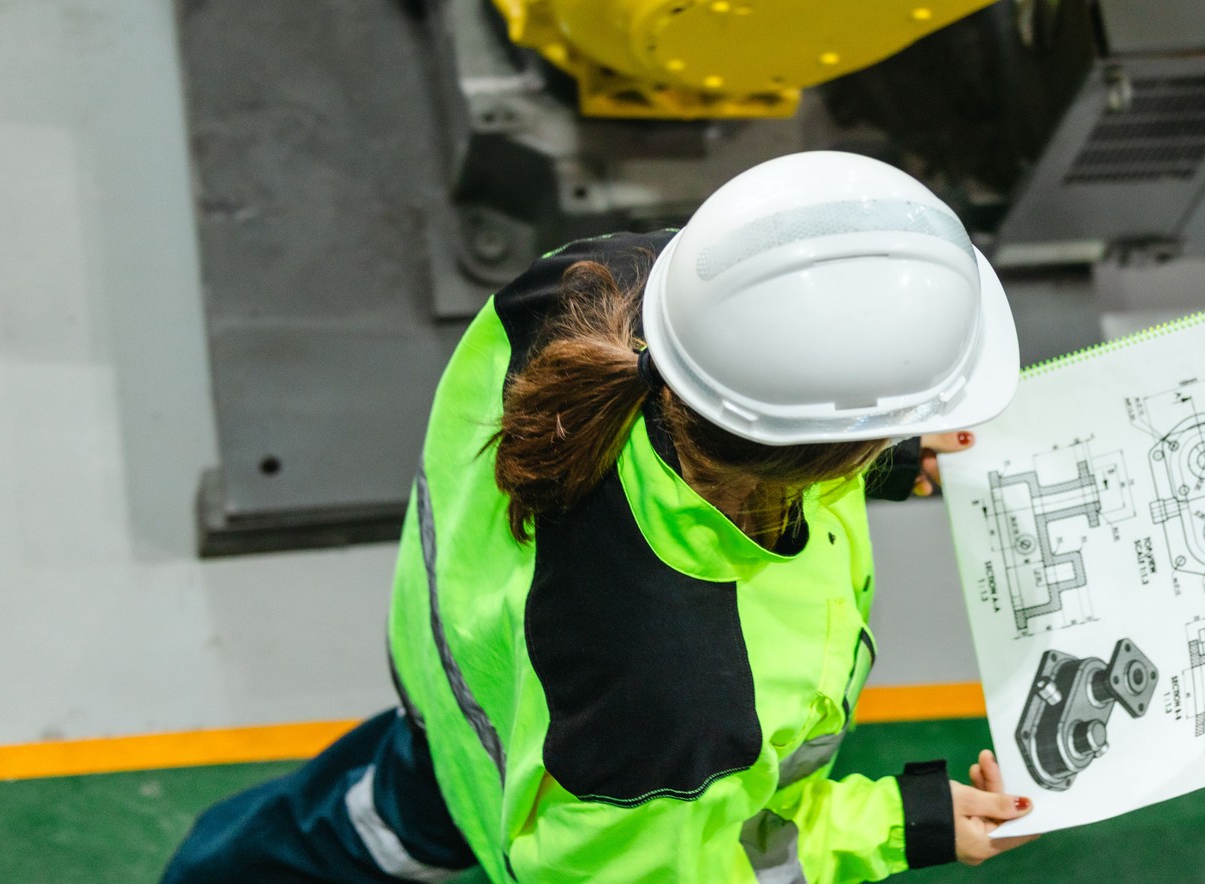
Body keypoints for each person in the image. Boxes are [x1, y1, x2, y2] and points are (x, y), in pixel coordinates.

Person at [164, 152, 1039, 882]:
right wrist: (907, 822)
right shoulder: (684, 702)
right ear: (825, 454)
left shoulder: (598, 289)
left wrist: (879, 453)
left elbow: (744, 403)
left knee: (358, 823)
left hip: (470, 699)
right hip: (565, 765)